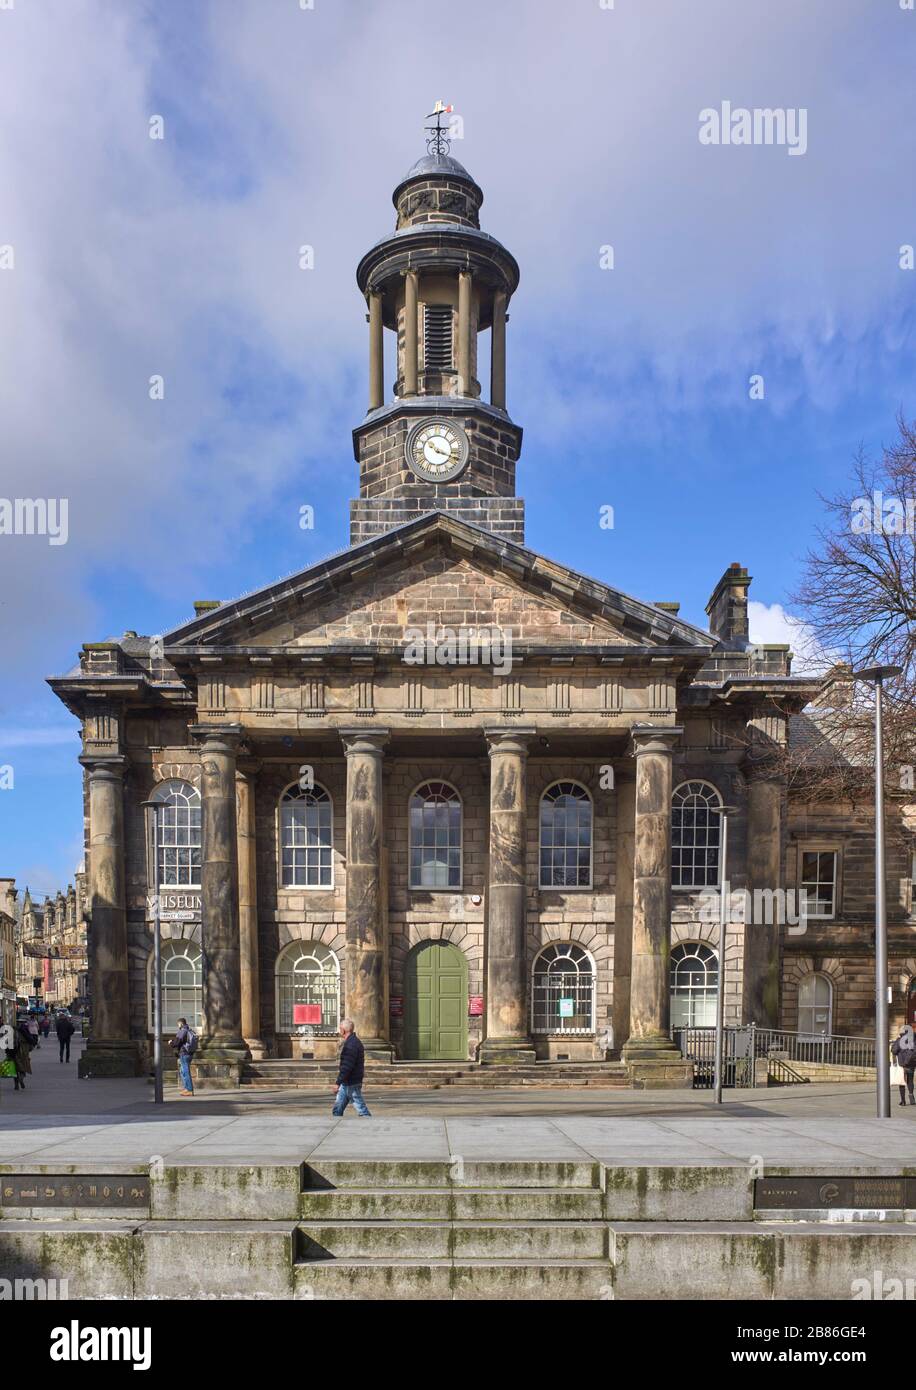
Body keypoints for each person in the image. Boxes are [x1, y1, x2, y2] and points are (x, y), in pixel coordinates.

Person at [331, 1018, 371, 1117]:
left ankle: (370, 1123)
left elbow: (347, 1066)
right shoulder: (353, 1042)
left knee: (361, 1108)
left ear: (343, 1030)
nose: (339, 1030)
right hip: (347, 1082)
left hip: (351, 1082)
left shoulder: (351, 1045)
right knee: (337, 1110)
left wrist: (337, 1083)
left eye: (340, 1028)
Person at [168, 1017, 197, 1096]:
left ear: (181, 1024)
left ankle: (189, 1090)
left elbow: (177, 1043)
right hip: (189, 1054)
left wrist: (171, 1042)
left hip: (184, 1054)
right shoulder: (189, 1031)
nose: (178, 1026)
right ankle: (186, 1088)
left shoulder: (182, 1031)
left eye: (178, 1024)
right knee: (183, 1071)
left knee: (185, 1072)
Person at [891, 1025, 916, 1106]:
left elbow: (894, 1051)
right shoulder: (913, 1039)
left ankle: (903, 1101)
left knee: (902, 1081)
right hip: (911, 1063)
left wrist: (897, 1041)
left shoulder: (900, 1040)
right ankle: (911, 1096)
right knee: (910, 1080)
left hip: (902, 1064)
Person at [11, 1020, 32, 1090]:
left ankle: (16, 1084)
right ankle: (21, 1078)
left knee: (15, 1068)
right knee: (24, 1066)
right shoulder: (25, 1030)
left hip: (13, 1052)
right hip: (23, 1051)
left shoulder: (11, 1030)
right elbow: (30, 1040)